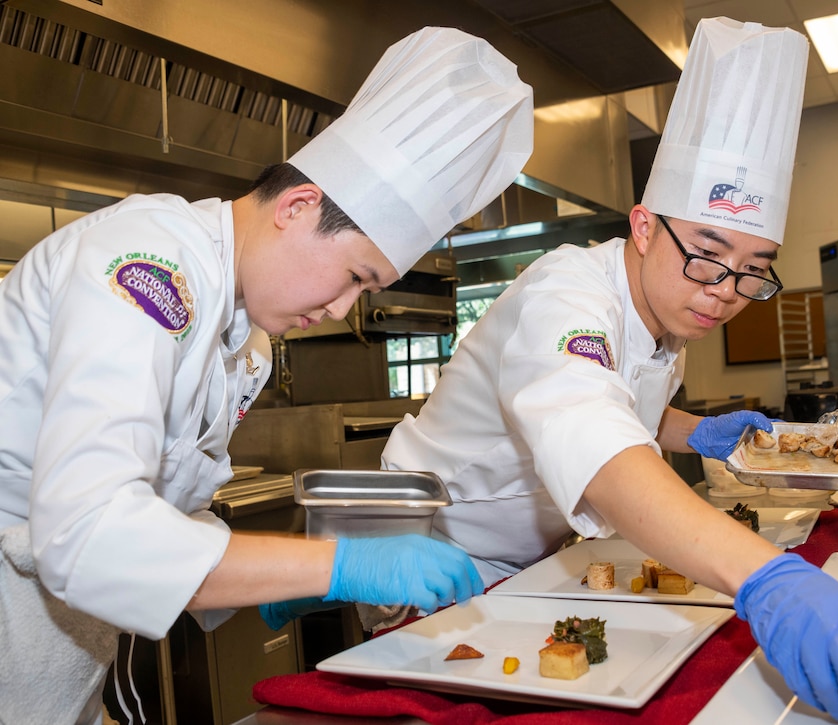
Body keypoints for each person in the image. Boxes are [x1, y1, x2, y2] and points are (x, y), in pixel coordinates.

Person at [380, 18, 838, 725]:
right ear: (644, 226)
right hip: (433, 559)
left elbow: (627, 410)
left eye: (753, 271)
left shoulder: (671, 310)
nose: (724, 290)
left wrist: (697, 432)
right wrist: (760, 573)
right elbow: (587, 431)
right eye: (709, 255)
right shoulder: (565, 293)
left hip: (530, 567)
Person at [0, 26, 532, 724]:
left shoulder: (239, 332)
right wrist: (333, 565)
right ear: (297, 207)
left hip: (56, 664)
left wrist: (267, 583)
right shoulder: (147, 263)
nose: (343, 306)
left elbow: (161, 513)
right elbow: (90, 531)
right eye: (353, 276)